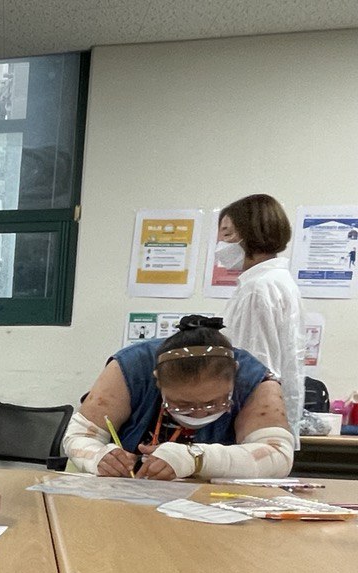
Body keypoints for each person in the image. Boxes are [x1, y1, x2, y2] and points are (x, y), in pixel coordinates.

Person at [62, 316, 293, 481]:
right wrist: (99, 456)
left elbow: (278, 456)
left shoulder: (255, 381)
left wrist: (194, 458)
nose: (199, 413)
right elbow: (80, 436)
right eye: (182, 404)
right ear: (157, 381)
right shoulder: (130, 368)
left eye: (215, 402)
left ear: (235, 373)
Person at [214, 194, 305, 441]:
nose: (221, 244)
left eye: (228, 234)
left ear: (250, 233)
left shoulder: (258, 288)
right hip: (270, 415)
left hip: (253, 416)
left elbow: (254, 364)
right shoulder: (275, 282)